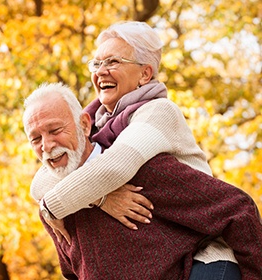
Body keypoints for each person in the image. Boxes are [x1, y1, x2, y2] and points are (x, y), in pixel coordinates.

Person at [29, 21, 245, 278]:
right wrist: (101, 199)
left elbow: (114, 168)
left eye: (113, 62)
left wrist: (51, 207)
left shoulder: (159, 112)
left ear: (144, 74)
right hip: (165, 252)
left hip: (202, 252)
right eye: (96, 64)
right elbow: (42, 180)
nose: (101, 72)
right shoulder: (97, 122)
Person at [23, 82, 262, 279]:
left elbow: (237, 209)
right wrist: (100, 198)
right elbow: (74, 271)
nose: (46, 146)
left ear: (84, 125)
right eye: (35, 139)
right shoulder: (52, 208)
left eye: (55, 130)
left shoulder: (144, 170)